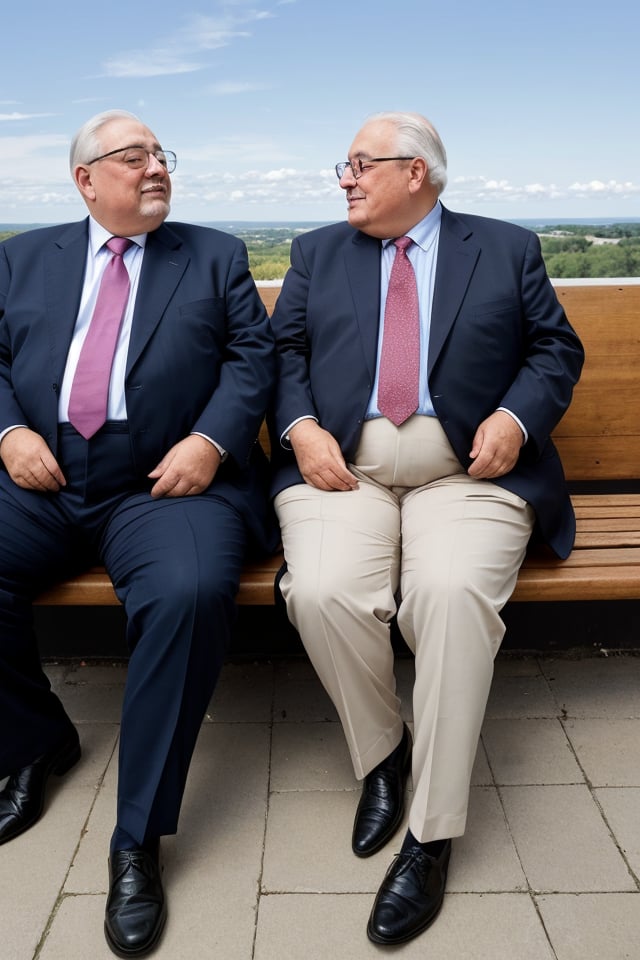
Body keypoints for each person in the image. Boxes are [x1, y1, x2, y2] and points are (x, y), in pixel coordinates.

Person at [269, 111, 584, 946]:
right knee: (325, 590)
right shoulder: (316, 252)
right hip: (346, 471)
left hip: (468, 477)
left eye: (360, 164)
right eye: (345, 165)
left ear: (418, 173)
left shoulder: (507, 247)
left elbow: (555, 351)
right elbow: (281, 355)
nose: (346, 177)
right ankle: (384, 756)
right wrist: (301, 428)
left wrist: (517, 418)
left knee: (447, 595)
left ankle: (430, 834)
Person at [0, 109, 275, 957]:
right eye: (134, 156)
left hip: (166, 485)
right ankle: (36, 744)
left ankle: (136, 840)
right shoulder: (20, 256)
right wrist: (9, 433)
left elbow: (253, 359)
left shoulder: (216, 253)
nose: (155, 167)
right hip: (42, 476)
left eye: (162, 155)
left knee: (189, 594)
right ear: (85, 179)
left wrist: (210, 440)